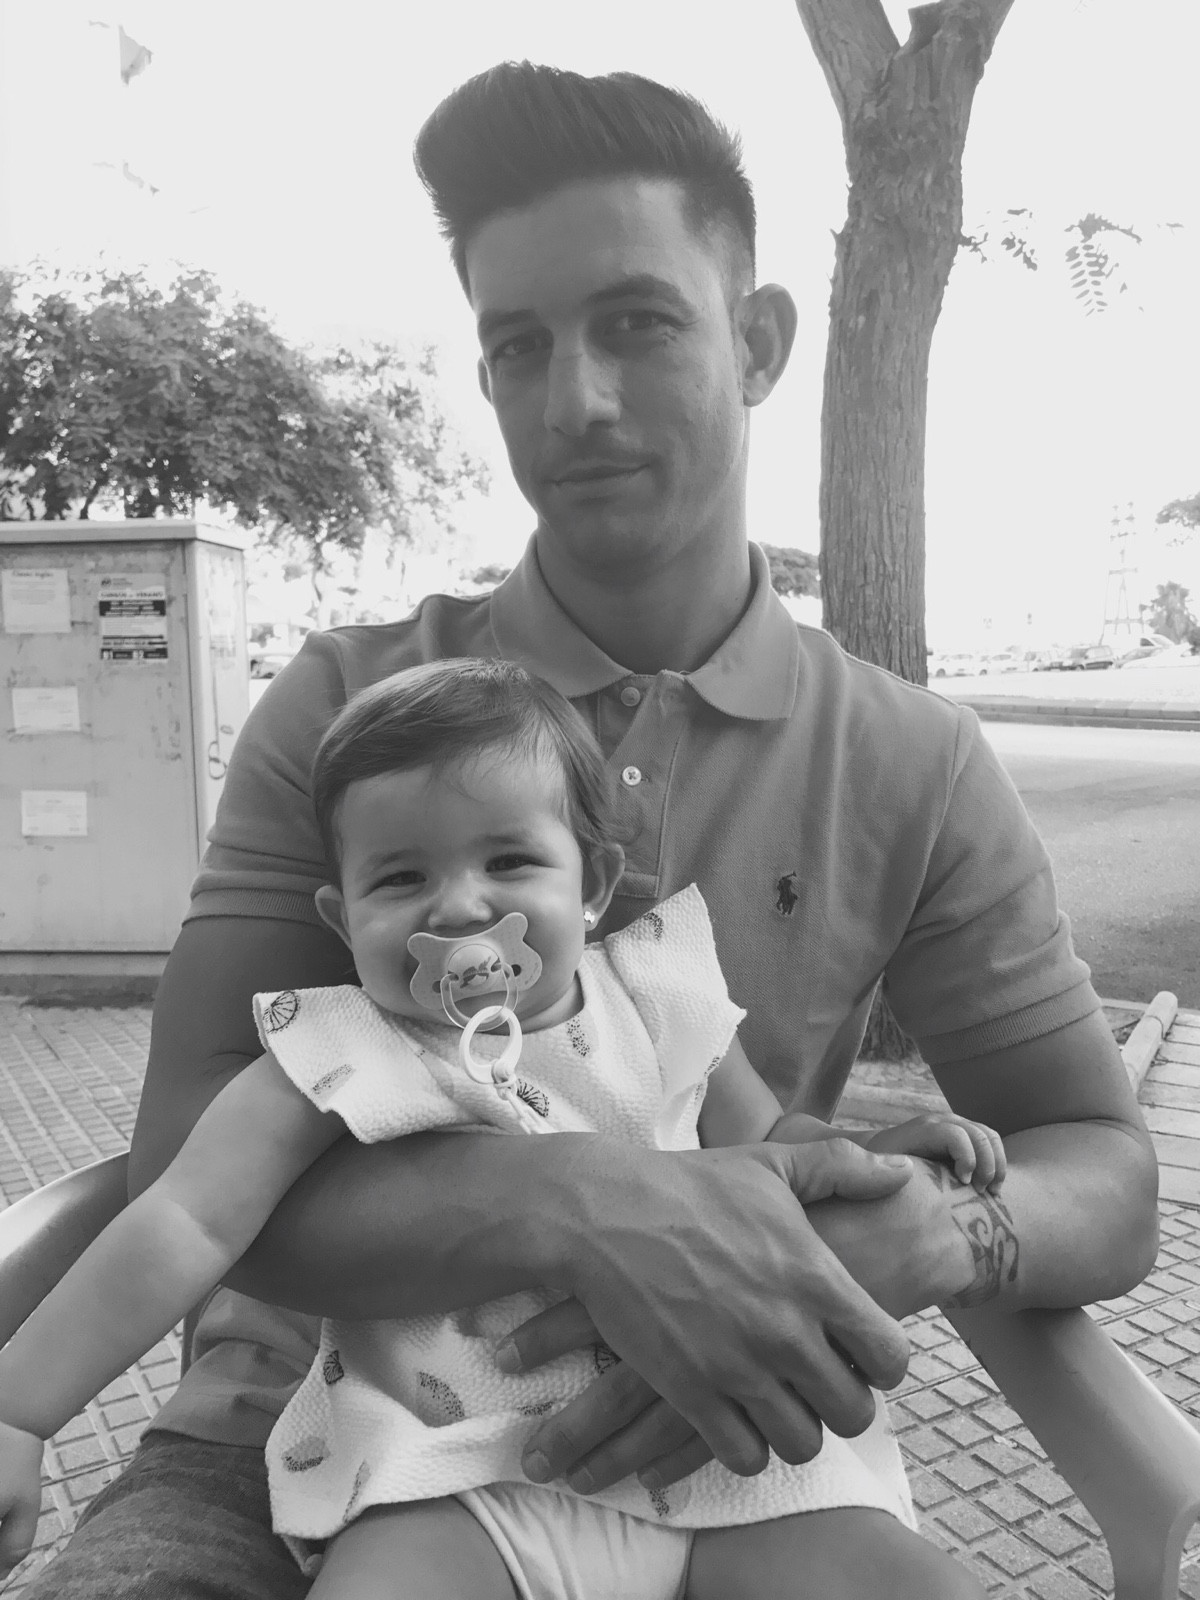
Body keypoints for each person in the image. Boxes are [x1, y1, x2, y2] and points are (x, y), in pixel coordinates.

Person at [20, 61, 1156, 1600]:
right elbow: (189, 1169)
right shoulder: (351, 713)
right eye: (520, 347)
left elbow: (1104, 1173)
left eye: (636, 323)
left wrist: (926, 1235)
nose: (576, 403)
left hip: (736, 1431)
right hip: (310, 1429)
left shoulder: (915, 760)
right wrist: (595, 1210)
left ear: (759, 342)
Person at [0, 659, 1009, 1597]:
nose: (460, 906)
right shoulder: (338, 1053)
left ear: (594, 884)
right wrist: (18, 1409)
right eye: (401, 878)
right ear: (344, 919)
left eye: (510, 859)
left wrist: (873, 1164)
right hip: (455, 1483)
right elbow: (184, 1218)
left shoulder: (661, 998)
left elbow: (777, 1145)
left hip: (715, 1450)